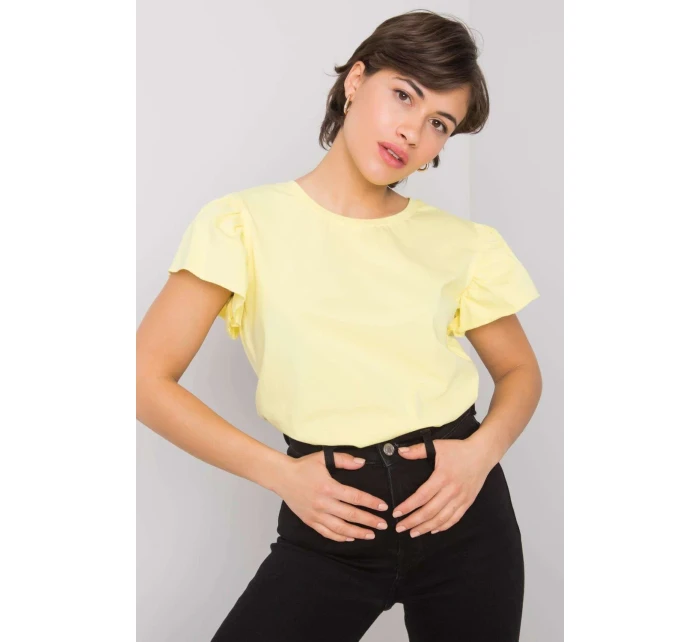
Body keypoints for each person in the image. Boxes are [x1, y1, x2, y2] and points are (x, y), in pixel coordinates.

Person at [136, 9, 542, 642]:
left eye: (439, 123)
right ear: (356, 80)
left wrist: (480, 454)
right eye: (403, 94)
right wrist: (280, 474)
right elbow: (143, 380)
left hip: (464, 520)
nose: (412, 131)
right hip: (329, 527)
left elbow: (519, 371)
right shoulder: (242, 224)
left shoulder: (462, 244)